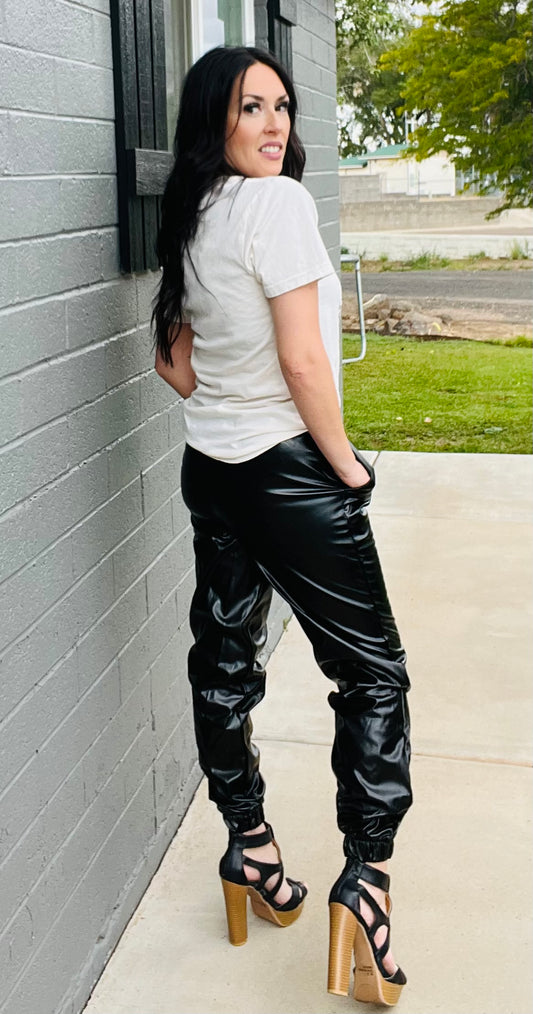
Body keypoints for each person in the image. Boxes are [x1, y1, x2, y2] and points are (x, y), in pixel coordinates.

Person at [153, 45, 412, 1007]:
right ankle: (369, 884)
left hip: (210, 469)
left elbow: (174, 366)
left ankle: (249, 849)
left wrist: (226, 396)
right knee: (371, 671)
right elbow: (307, 363)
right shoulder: (278, 206)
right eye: (250, 107)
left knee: (223, 660)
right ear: (214, 119)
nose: (275, 126)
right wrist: (346, 468)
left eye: (283, 107)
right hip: (287, 474)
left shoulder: (195, 212)